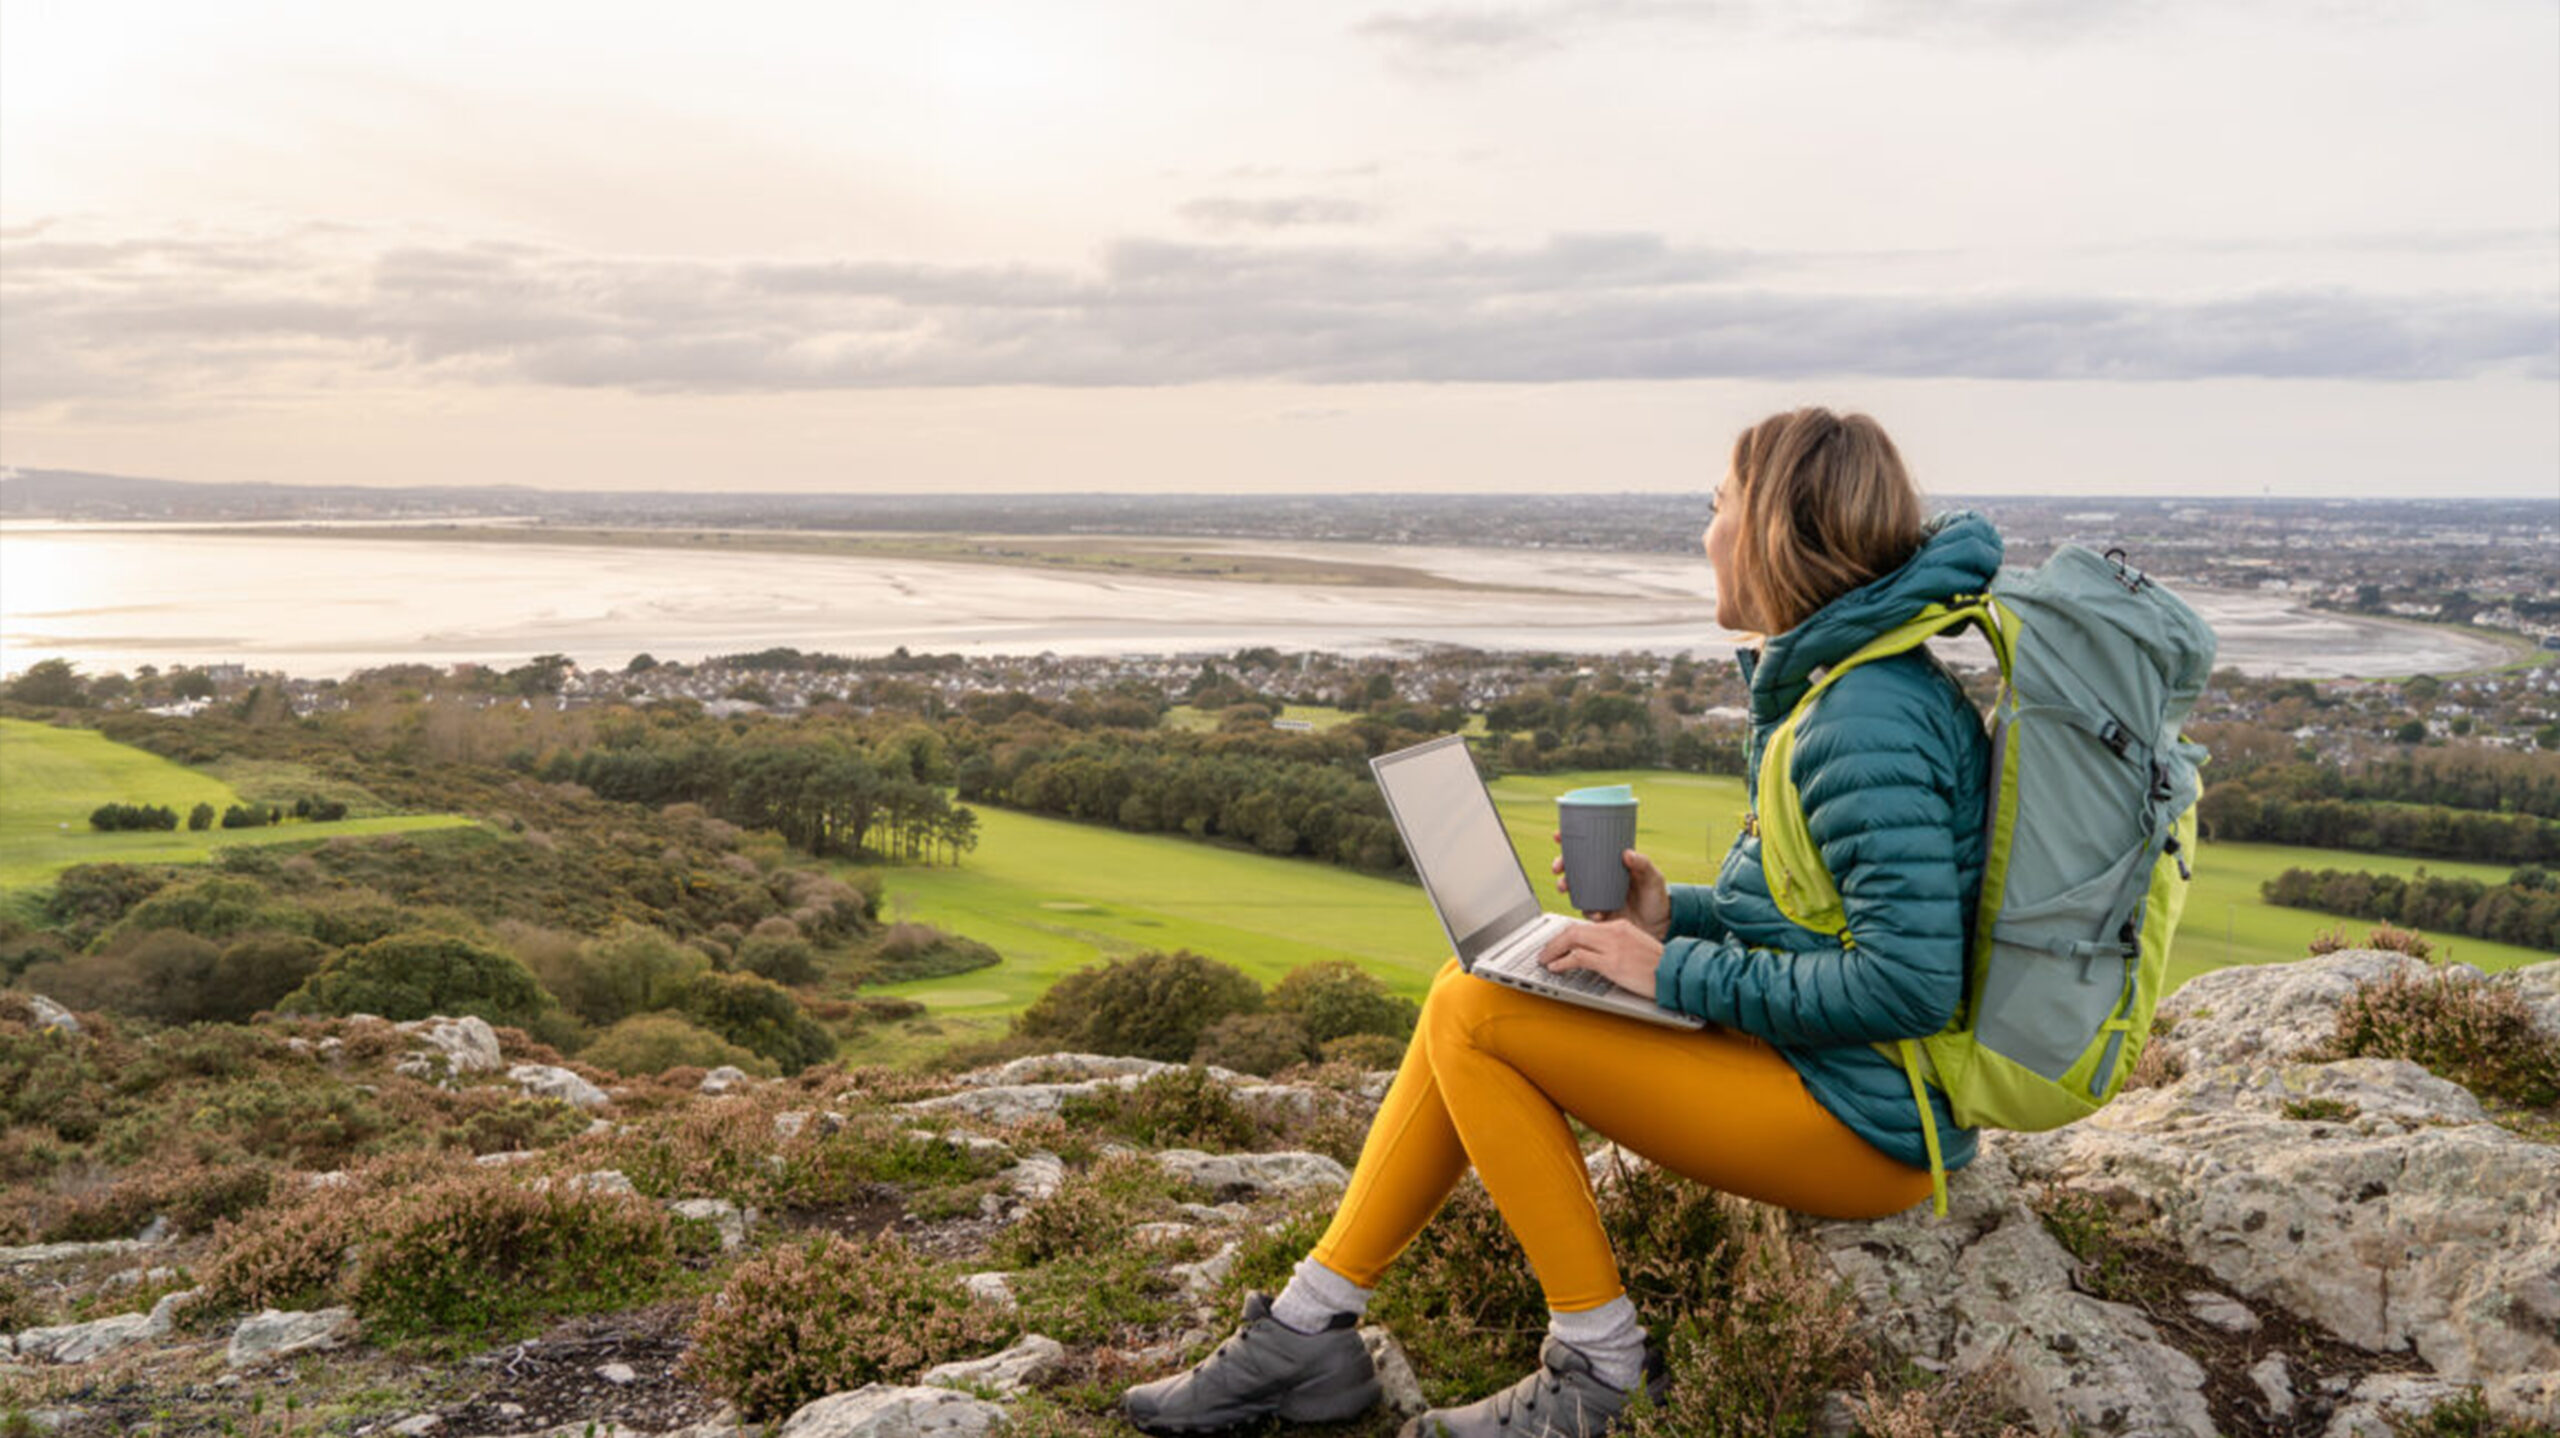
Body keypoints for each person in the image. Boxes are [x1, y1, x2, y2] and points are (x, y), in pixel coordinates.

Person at [1121, 408, 2001, 1438]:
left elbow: (1906, 984)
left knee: (1473, 1014)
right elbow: (1814, 917)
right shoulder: (1836, 689)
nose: (1704, 531)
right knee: (1475, 987)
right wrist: (1675, 914)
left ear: (1769, 527)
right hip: (1835, 1082)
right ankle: (1306, 1330)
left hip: (1868, 1128)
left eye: (1716, 505)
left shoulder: (1862, 716)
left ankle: (1598, 1367)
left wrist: (1664, 969)